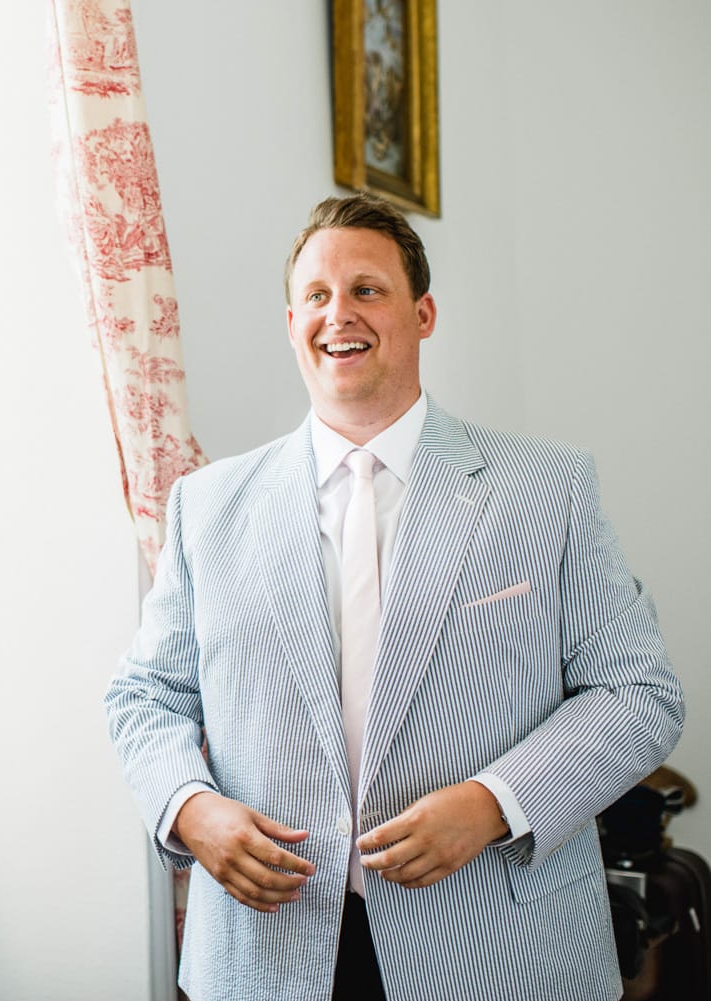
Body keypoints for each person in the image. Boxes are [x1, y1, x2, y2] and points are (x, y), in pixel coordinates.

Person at [103, 192, 684, 1000]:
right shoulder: (206, 507)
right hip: (266, 954)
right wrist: (189, 807)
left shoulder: (549, 490)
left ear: (424, 311)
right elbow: (144, 695)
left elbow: (638, 694)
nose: (338, 312)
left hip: (501, 951)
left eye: (367, 289)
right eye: (316, 295)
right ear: (292, 323)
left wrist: (492, 803)